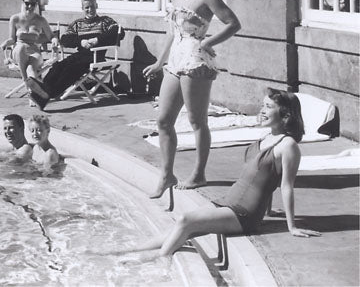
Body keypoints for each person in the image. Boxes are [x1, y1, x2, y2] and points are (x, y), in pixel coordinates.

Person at [124, 89, 320, 258]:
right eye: (263, 105)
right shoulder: (267, 136)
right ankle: (124, 252)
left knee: (185, 221)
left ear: (285, 114)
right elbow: (264, 177)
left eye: (268, 107)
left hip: (244, 214)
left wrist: (292, 227)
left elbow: (286, 186)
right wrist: (268, 210)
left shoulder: (288, 146)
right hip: (228, 202)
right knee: (177, 228)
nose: (262, 110)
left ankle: (159, 262)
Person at [143, 0, 241, 197]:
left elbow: (233, 23)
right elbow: (172, 31)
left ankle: (199, 174)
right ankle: (167, 175)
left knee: (197, 121)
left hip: (195, 59)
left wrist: (208, 42)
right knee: (163, 120)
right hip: (175, 58)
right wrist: (159, 62)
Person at [25, 0, 121, 110]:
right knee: (58, 66)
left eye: (92, 6)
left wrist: (97, 40)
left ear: (96, 6)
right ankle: (43, 91)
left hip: (96, 56)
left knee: (71, 70)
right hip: (80, 54)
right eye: (87, 7)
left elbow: (117, 31)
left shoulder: (105, 21)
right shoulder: (78, 24)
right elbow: (65, 39)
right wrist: (80, 42)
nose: (90, 9)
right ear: (82, 8)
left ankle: (47, 93)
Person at [0, 0, 57, 92]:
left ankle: (34, 93)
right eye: (27, 3)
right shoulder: (15, 19)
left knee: (30, 68)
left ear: (36, 5)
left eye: (33, 4)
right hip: (18, 51)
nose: (30, 6)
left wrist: (54, 40)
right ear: (23, 3)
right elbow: (12, 39)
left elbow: (51, 36)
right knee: (21, 48)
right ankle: (26, 82)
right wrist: (6, 42)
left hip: (34, 51)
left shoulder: (40, 20)